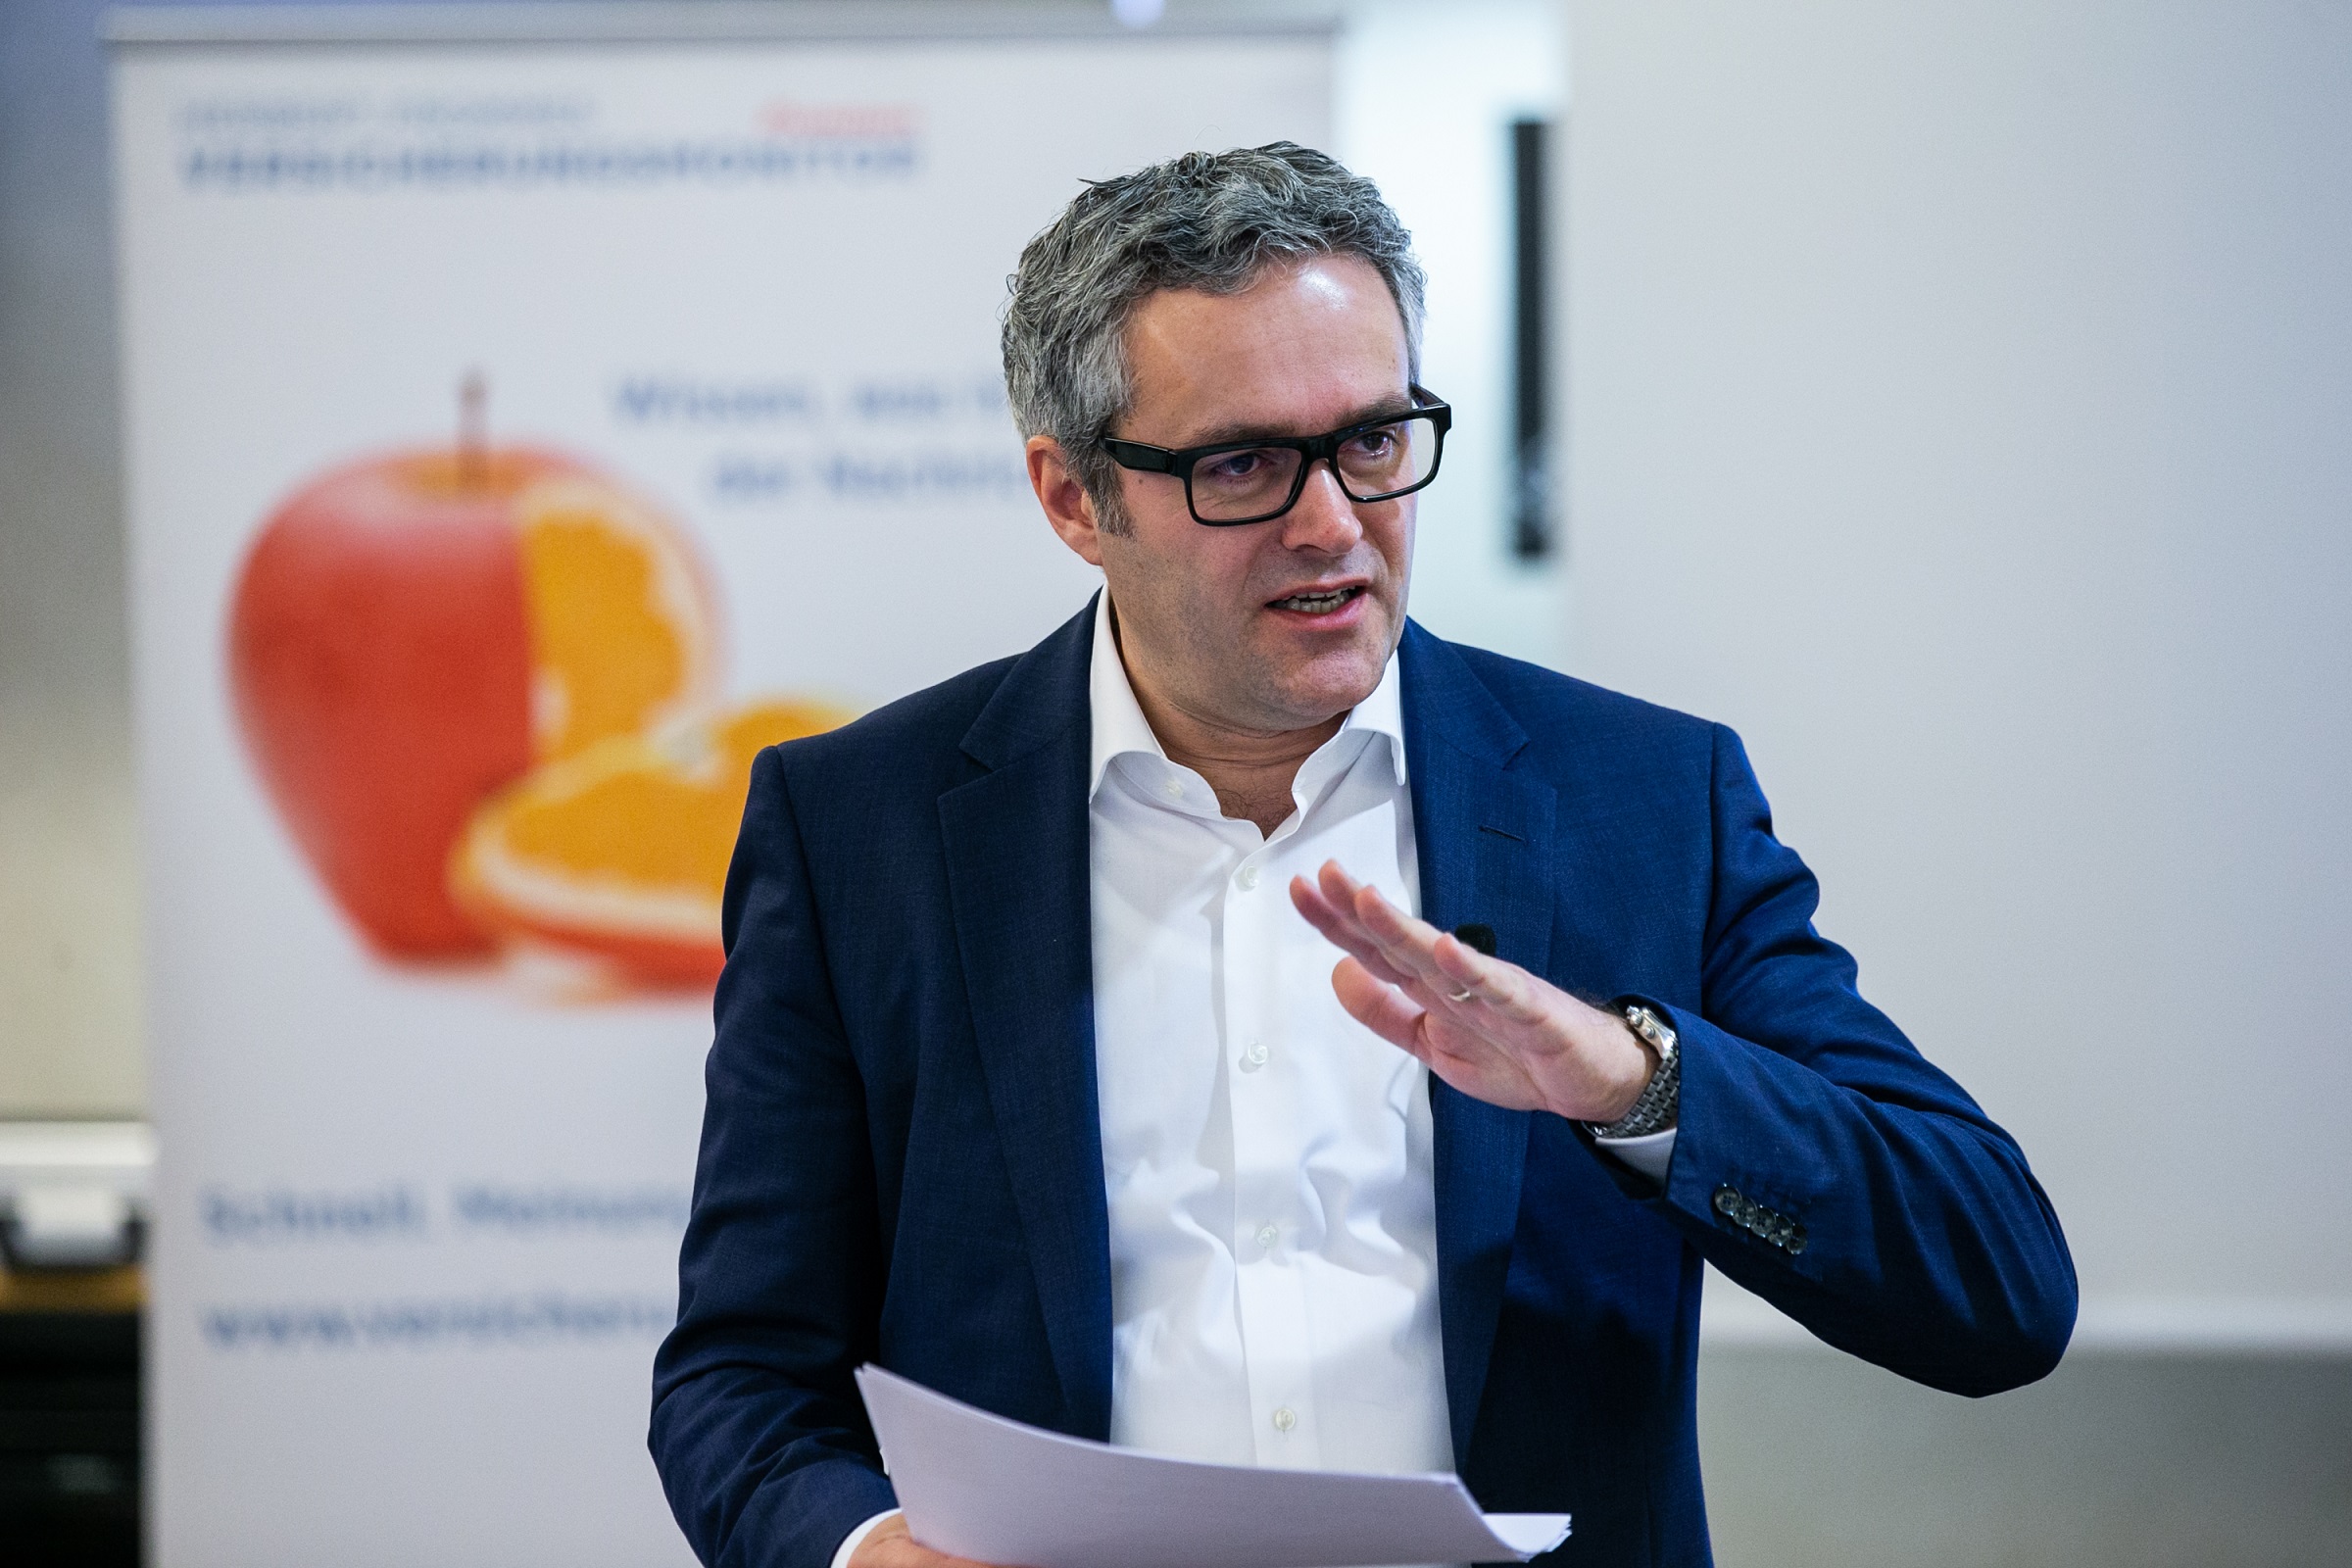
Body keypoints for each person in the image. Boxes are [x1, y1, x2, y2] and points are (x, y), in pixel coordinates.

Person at [649, 143, 2075, 1568]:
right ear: (1075, 497)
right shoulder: (863, 832)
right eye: (1245, 464)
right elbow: (741, 1376)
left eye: (1376, 443)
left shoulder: (1644, 803)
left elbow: (1998, 1287)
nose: (1333, 524)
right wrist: (866, 1552)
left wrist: (1634, 1082)